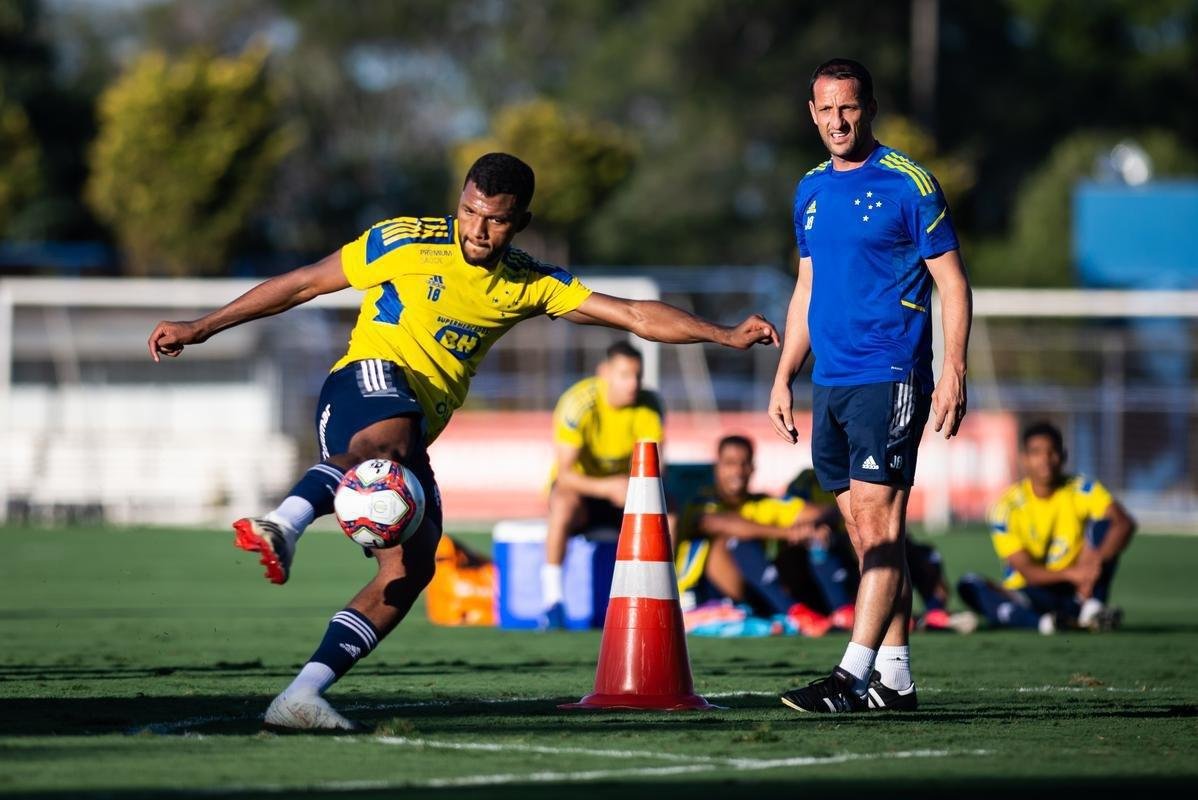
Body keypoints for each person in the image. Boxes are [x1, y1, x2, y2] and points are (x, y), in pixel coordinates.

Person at [147, 152, 779, 731]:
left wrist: (723, 335)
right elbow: (304, 283)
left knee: (413, 566)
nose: (477, 230)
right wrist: (202, 328)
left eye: (495, 221)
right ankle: (284, 523)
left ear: (520, 222)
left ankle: (302, 694)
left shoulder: (530, 283)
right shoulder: (402, 241)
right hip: (362, 381)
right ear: (460, 201)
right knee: (384, 451)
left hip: (415, 426)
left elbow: (636, 315)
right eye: (469, 212)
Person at [767, 58, 972, 713]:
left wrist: (955, 369)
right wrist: (783, 375)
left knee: (882, 528)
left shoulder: (910, 184)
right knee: (864, 536)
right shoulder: (809, 190)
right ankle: (896, 678)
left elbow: (953, 283)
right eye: (825, 109)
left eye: (848, 108)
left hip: (890, 374)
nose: (837, 121)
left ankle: (851, 676)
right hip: (830, 380)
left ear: (870, 107)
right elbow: (807, 287)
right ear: (811, 112)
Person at [957, 421, 1135, 633]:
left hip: (1079, 588)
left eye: (1052, 452)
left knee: (1105, 525)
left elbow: (1124, 523)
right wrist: (1073, 573)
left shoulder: (1082, 489)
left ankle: (1091, 609)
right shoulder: (1006, 507)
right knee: (969, 585)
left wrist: (1095, 562)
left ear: (1064, 455)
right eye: (1036, 452)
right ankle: (1047, 623)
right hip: (1033, 592)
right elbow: (1027, 571)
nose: (1045, 459)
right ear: (1023, 459)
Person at [540, 340, 663, 629]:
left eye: (637, 376)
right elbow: (565, 474)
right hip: (584, 494)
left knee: (670, 511)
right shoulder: (578, 403)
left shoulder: (650, 405)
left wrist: (634, 491)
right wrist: (608, 487)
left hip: (627, 493)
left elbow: (658, 469)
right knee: (562, 503)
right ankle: (552, 601)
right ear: (604, 372)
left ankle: (669, 597)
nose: (632, 384)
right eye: (624, 375)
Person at [673, 435, 836, 635]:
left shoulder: (760, 503)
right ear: (717, 467)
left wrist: (813, 527)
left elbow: (826, 511)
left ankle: (839, 609)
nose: (738, 471)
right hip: (699, 596)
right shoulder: (700, 502)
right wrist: (788, 532)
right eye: (730, 463)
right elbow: (723, 524)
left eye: (744, 463)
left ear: (753, 467)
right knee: (735, 539)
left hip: (748, 595)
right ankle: (793, 611)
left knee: (816, 539)